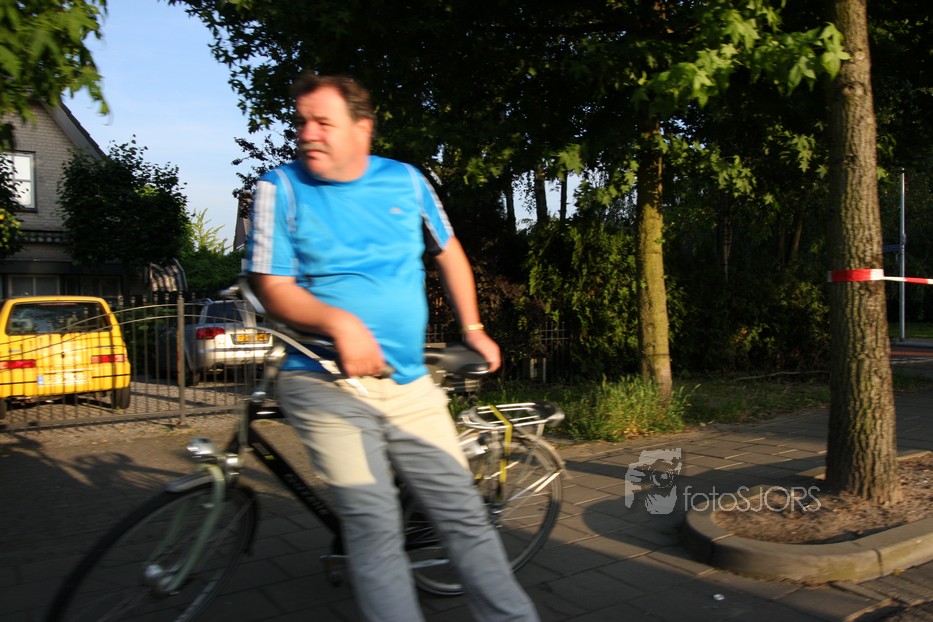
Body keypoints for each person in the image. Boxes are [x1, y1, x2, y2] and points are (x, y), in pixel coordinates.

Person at [246, 72, 539, 622]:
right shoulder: (279, 188)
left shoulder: (406, 181)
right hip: (323, 380)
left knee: (464, 514)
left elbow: (448, 252)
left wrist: (473, 327)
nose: (307, 133)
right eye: (301, 121)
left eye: (323, 122)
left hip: (408, 382)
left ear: (363, 128)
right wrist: (339, 323)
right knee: (374, 523)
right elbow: (272, 286)